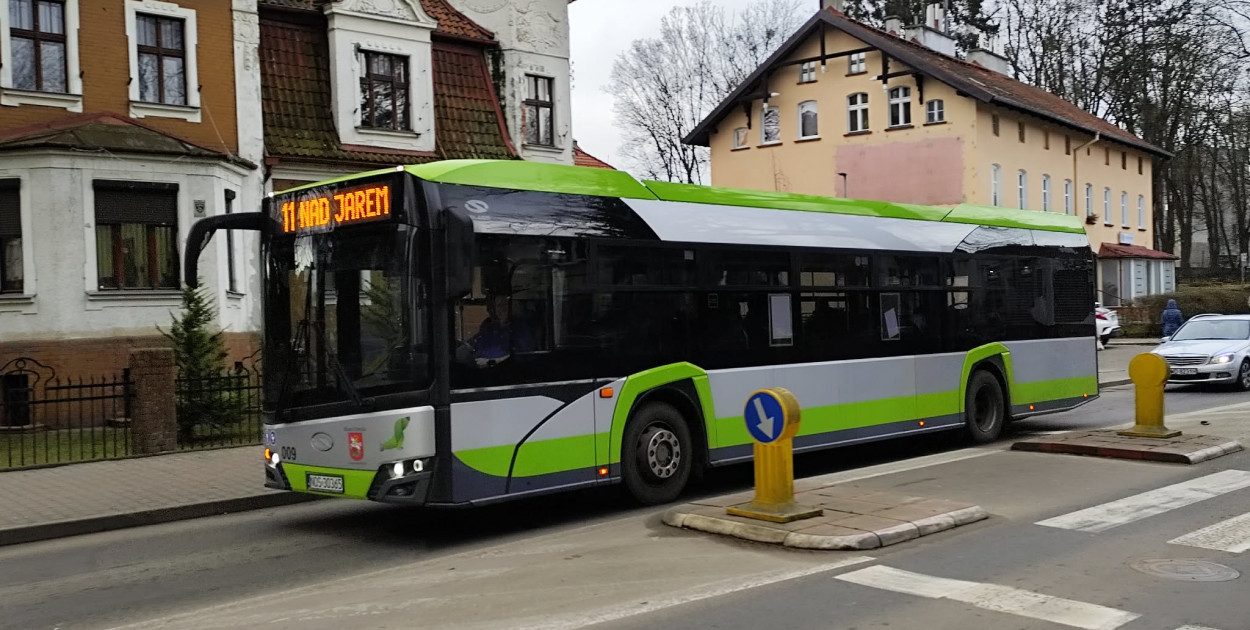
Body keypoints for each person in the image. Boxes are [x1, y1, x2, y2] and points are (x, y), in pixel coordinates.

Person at [470, 293, 533, 366]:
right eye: (499, 305)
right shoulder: (488, 324)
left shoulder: (520, 327)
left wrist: (491, 361)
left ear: (512, 307)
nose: (503, 308)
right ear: (495, 309)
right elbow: (477, 340)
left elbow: (522, 356)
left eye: (505, 304)